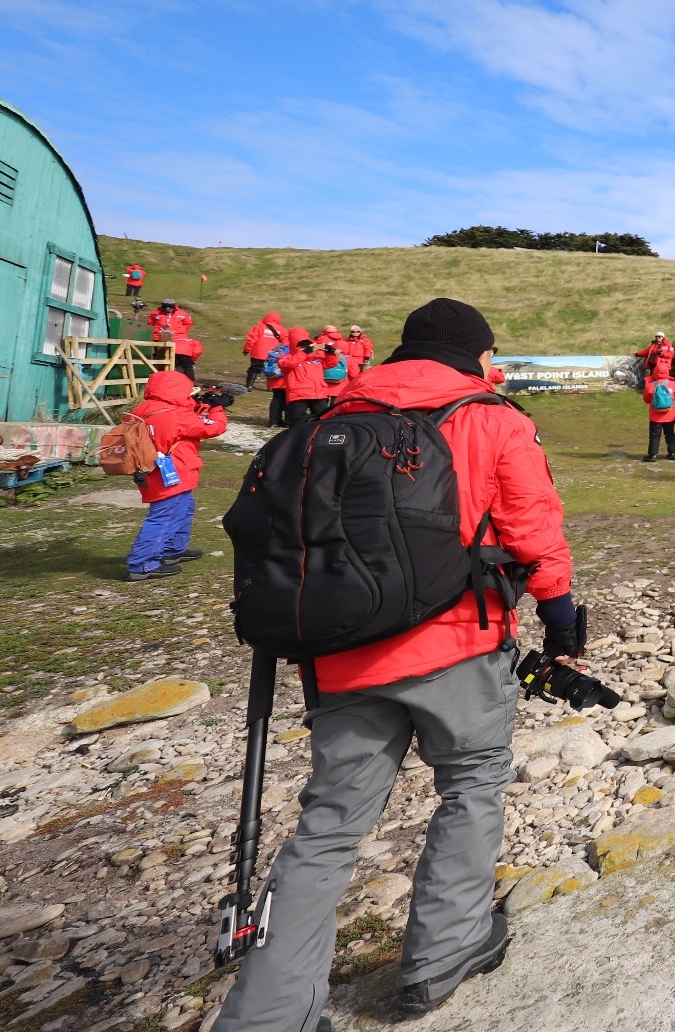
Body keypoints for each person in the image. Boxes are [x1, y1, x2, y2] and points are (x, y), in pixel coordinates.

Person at [213, 298, 579, 1030]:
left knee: (330, 823)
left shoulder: (327, 415)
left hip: (342, 652)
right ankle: (443, 953)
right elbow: (533, 527)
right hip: (457, 643)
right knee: (472, 782)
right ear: (477, 354)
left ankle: (269, 1013)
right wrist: (561, 618)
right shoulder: (492, 415)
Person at [122, 370, 228, 580]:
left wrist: (200, 404)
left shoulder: (141, 410)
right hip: (173, 471)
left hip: (148, 469)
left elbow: (178, 421)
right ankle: (142, 564)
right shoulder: (175, 414)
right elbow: (214, 427)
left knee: (184, 508)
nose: (189, 395)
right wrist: (217, 408)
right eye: (187, 391)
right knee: (164, 516)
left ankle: (172, 550)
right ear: (176, 390)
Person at [275, 332, 340, 425]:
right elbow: (287, 364)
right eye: (300, 346)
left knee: (323, 420)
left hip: (318, 393)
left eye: (306, 345)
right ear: (294, 345)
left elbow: (331, 363)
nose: (303, 348)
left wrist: (330, 352)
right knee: (297, 421)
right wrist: (304, 352)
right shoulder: (285, 358)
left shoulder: (315, 358)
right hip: (299, 394)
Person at [242, 313, 287, 390]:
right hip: (273, 354)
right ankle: (270, 387)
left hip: (258, 353)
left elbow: (252, 340)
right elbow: (285, 343)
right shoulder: (282, 330)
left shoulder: (259, 327)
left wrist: (246, 350)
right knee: (271, 369)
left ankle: (249, 386)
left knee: (254, 369)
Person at [643, 370, 675, 461]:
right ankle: (672, 453)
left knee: (654, 435)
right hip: (670, 414)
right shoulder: (672, 384)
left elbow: (646, 400)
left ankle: (652, 455)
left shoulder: (650, 385)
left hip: (655, 416)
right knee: (670, 434)